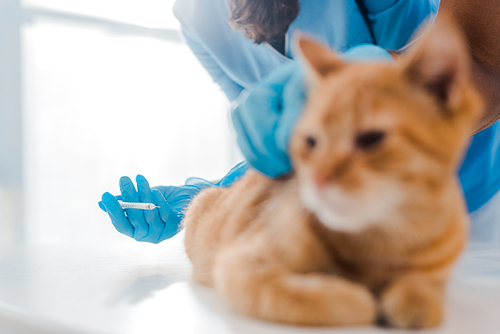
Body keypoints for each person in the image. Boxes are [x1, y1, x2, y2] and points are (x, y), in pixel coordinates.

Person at [100, 0, 499, 249]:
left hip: (469, 199)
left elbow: (468, 70)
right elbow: (271, 136)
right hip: (351, 223)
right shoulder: (196, 18)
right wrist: (210, 195)